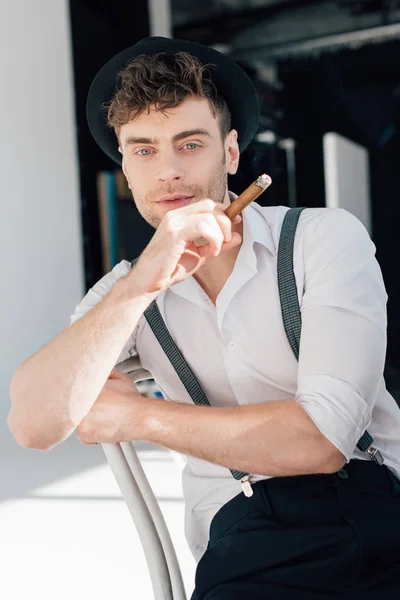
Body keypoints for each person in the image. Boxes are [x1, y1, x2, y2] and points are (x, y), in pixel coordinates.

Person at [8, 36, 400, 599]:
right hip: (244, 542)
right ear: (126, 168)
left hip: (370, 512)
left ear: (231, 153)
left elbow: (320, 442)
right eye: (143, 150)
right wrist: (143, 281)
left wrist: (139, 418)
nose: (167, 171)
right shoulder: (125, 292)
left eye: (189, 144)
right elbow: (33, 424)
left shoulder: (322, 239)